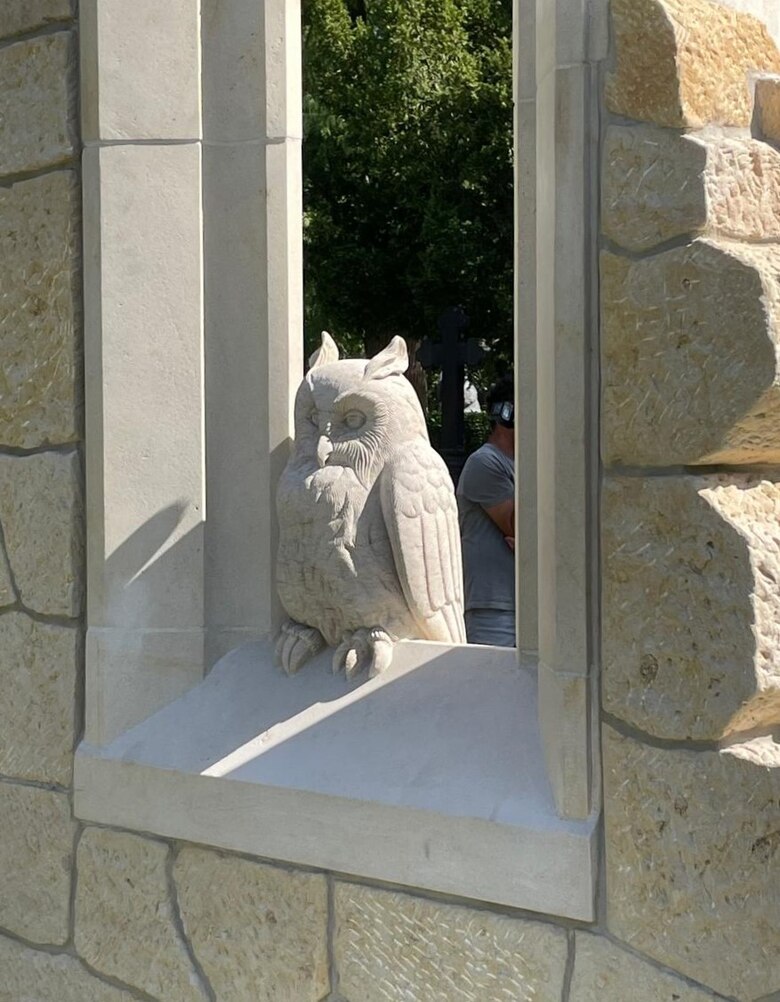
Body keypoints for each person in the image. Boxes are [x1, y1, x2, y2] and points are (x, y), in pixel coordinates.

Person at [456, 376, 515, 646]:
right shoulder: (485, 463)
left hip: (529, 608)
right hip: (494, 614)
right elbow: (523, 527)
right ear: (507, 414)